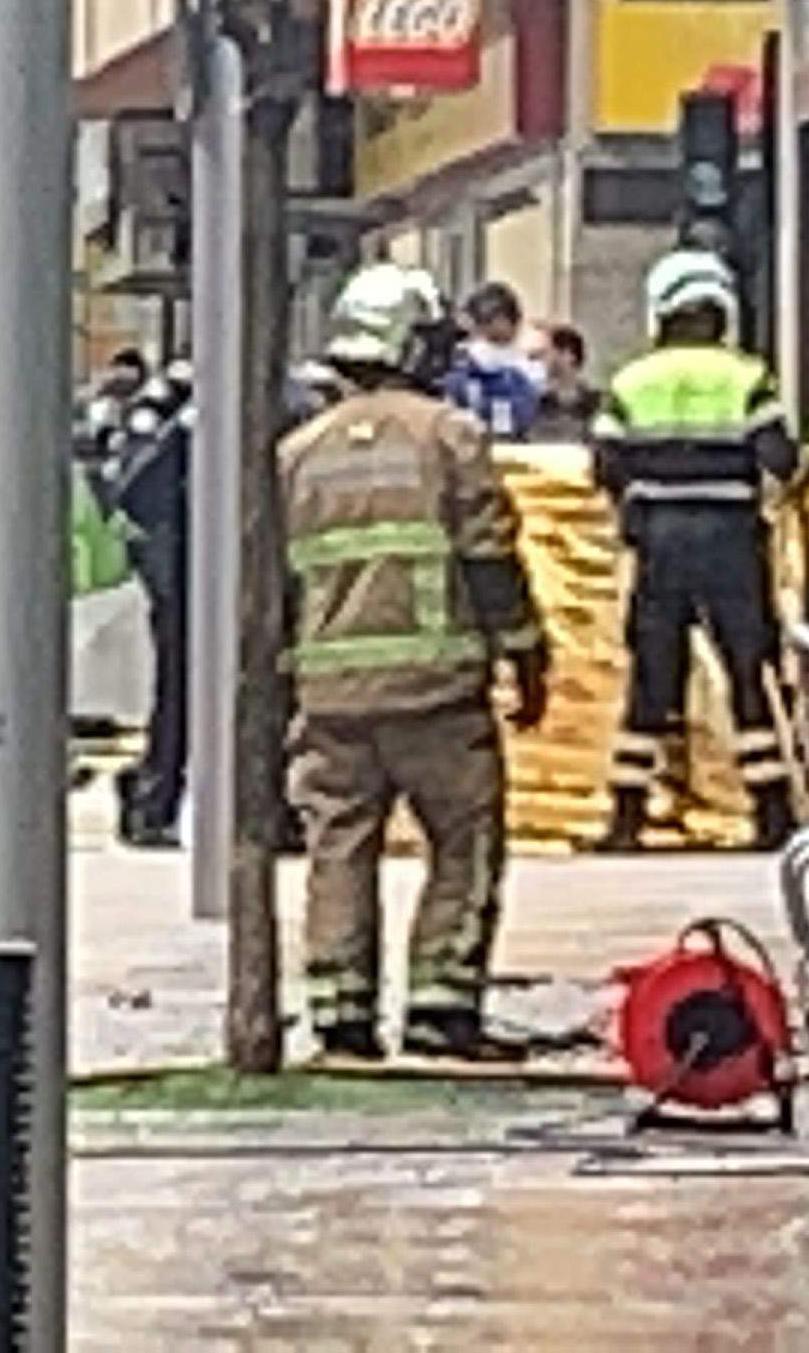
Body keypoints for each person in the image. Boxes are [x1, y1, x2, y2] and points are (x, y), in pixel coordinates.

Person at [279, 263, 549, 1061]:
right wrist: (527, 656)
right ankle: (441, 1006)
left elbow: (270, 583)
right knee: (463, 845)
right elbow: (490, 558)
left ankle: (340, 1014)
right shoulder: (449, 436)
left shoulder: (297, 453)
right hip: (437, 693)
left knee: (339, 846)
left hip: (329, 698)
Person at [592, 248, 804, 850]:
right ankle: (772, 813)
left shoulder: (631, 381)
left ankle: (626, 819)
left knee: (652, 681)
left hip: (659, 543)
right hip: (731, 542)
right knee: (746, 673)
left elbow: (604, 463)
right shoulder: (746, 376)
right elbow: (781, 461)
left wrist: (638, 499)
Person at [108, 356, 193, 849]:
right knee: (177, 696)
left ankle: (154, 794)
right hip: (182, 576)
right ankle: (150, 799)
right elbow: (133, 491)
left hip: (197, 573)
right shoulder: (172, 427)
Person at [441, 280, 545, 440]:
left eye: (495, 318)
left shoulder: (528, 365)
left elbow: (529, 411)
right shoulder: (466, 360)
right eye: (486, 320)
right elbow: (452, 401)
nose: (492, 325)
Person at [532, 324, 603, 442]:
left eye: (546, 352)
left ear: (568, 355)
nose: (540, 359)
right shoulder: (537, 401)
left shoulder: (594, 402)